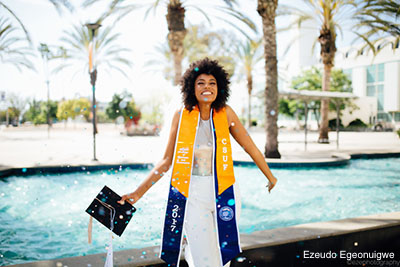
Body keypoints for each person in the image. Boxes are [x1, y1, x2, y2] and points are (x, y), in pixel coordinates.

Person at [118, 58, 278, 267]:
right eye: (201, 82)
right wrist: (138, 192)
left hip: (225, 191)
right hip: (192, 194)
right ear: (191, 87)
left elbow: (250, 146)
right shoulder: (181, 116)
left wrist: (270, 175)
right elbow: (167, 161)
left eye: (212, 82)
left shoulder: (226, 113)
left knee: (223, 257)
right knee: (203, 258)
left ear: (219, 87)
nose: (207, 87)